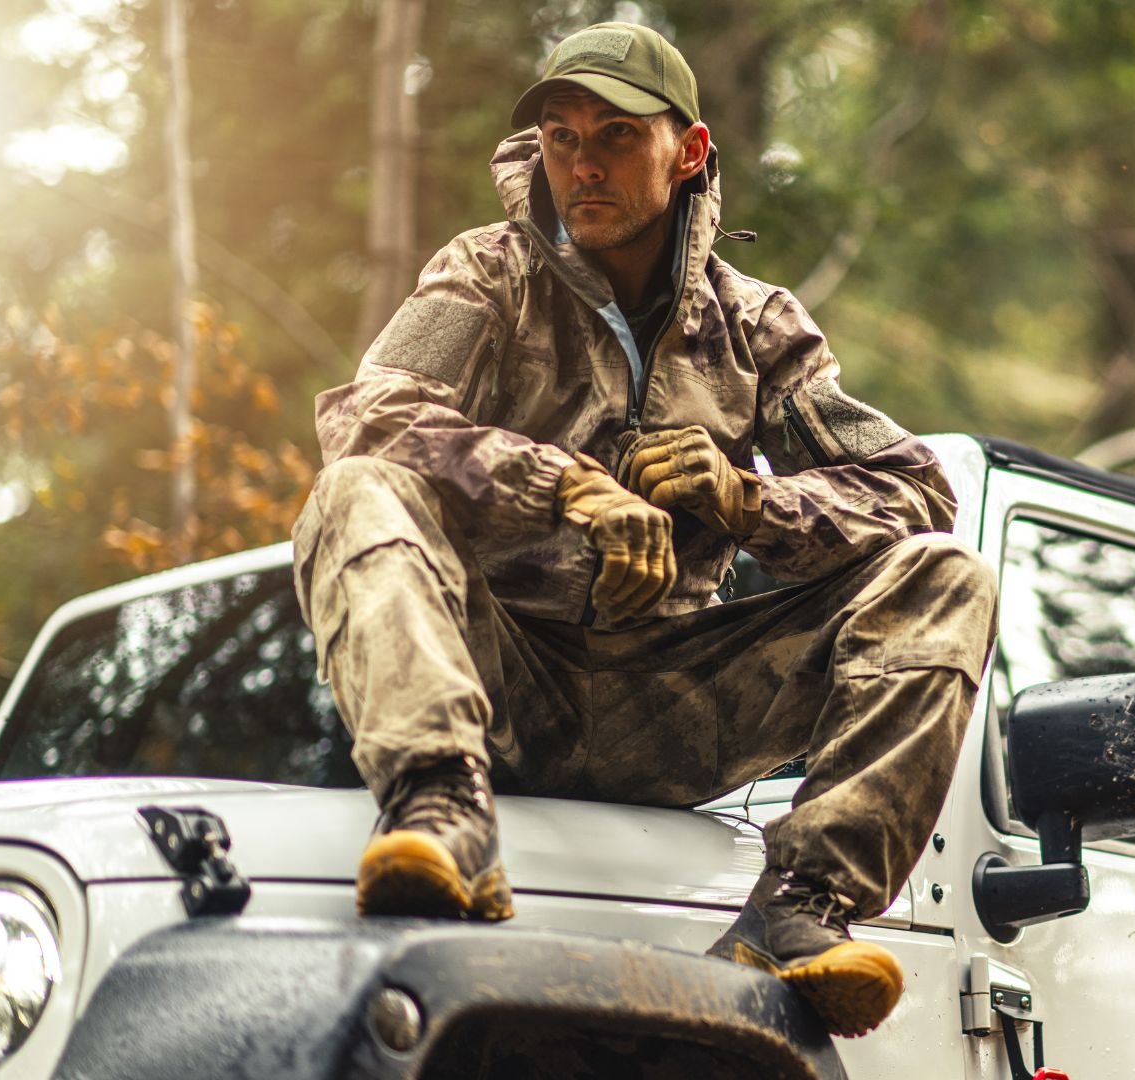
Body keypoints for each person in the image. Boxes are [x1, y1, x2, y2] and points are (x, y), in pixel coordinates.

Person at [289, 21, 996, 1038]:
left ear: (691, 151)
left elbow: (915, 490)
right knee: (355, 488)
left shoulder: (757, 328)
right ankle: (443, 816)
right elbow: (367, 418)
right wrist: (569, 487)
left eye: (617, 136)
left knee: (947, 575)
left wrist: (745, 499)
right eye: (564, 138)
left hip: (674, 708)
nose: (583, 164)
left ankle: (797, 912)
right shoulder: (486, 274)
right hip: (500, 684)